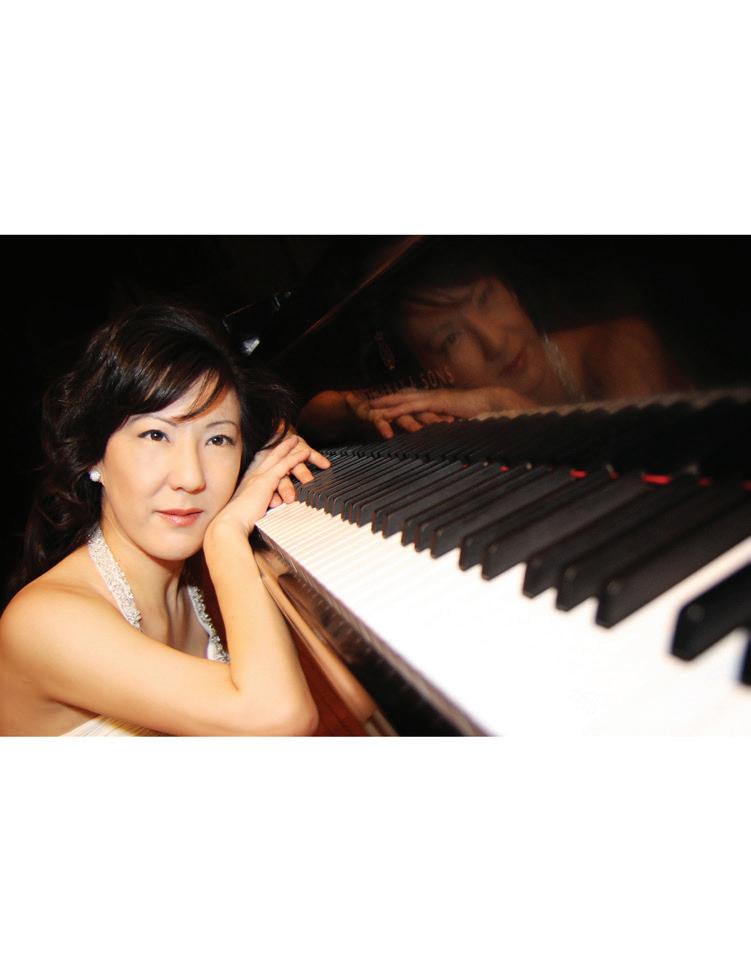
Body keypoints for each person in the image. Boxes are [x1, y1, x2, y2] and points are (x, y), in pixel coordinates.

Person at [0, 305, 330, 736]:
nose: (191, 477)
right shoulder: (44, 621)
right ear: (94, 455)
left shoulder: (188, 582)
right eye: (156, 435)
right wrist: (226, 534)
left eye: (218, 439)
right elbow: (278, 717)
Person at [297, 243, 692, 443]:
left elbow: (653, 484)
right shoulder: (437, 389)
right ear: (425, 366)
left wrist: (506, 408)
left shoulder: (621, 346)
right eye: (451, 338)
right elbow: (314, 413)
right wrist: (355, 408)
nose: (495, 341)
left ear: (513, 293)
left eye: (486, 298)